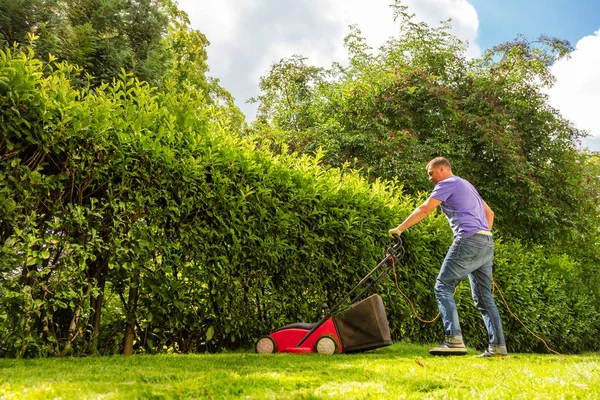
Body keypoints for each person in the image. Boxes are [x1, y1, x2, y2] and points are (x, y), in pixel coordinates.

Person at [388, 157, 507, 357]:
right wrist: (482, 237)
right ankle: (498, 347)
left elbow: (425, 209)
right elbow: (490, 213)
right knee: (485, 298)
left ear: (441, 169)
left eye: (431, 173)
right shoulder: (466, 185)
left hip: (468, 240)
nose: (430, 178)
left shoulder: (447, 183)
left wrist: (399, 229)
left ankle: (454, 341)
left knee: (442, 287)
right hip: (486, 242)